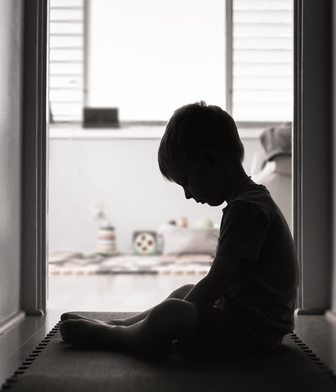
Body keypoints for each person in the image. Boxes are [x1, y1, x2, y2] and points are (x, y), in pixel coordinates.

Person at [60, 102, 297, 355]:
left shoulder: (246, 209)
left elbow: (217, 283)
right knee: (183, 293)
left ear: (210, 160)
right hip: (250, 322)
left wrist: (177, 321)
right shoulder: (250, 201)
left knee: (172, 312)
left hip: (254, 332)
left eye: (186, 181)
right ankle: (120, 325)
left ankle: (116, 336)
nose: (186, 194)